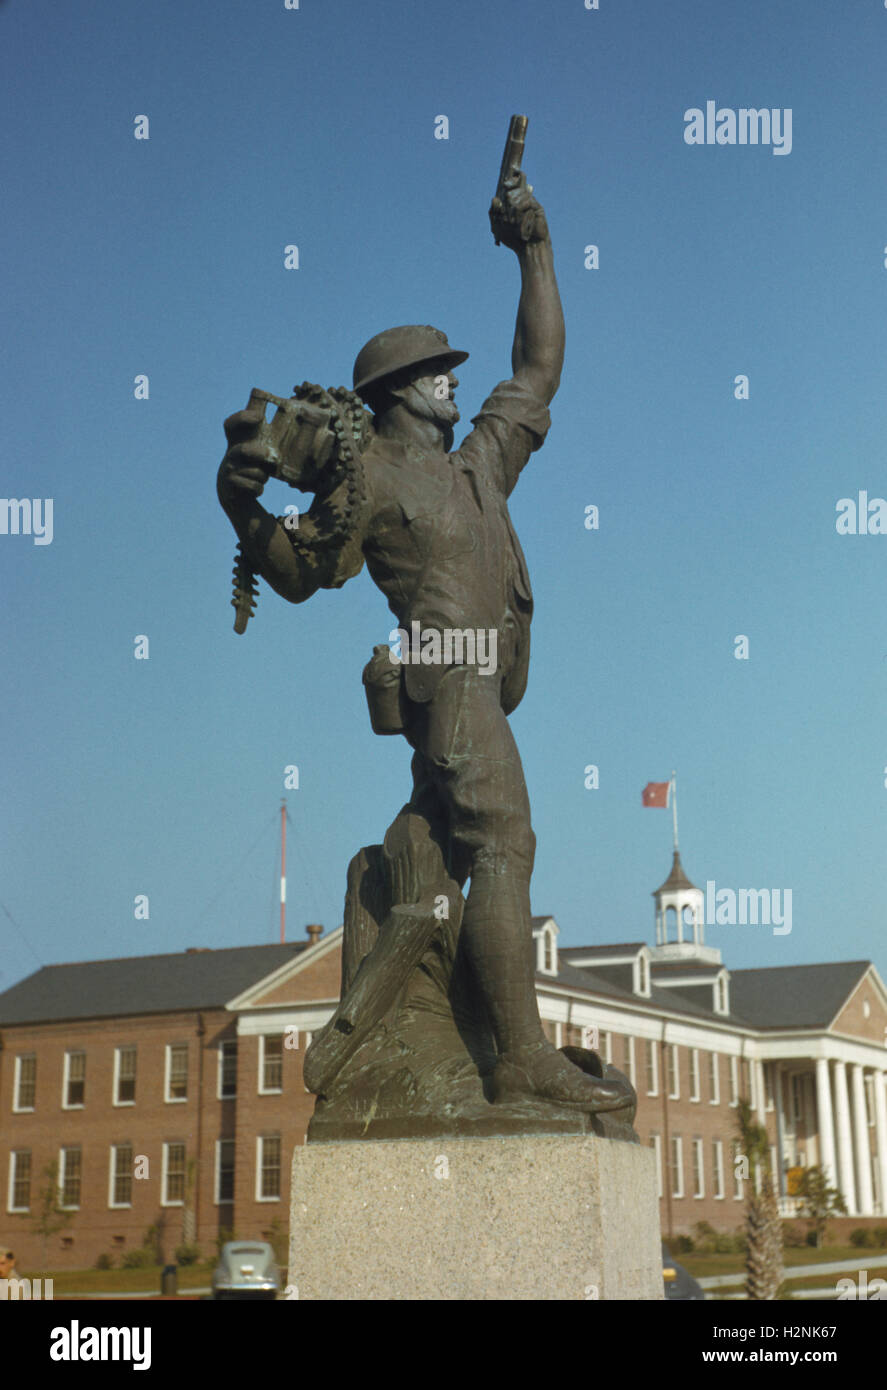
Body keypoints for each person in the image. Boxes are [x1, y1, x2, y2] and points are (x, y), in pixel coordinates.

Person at [218, 173, 631, 1115]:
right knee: (504, 843)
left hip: (486, 684)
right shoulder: (372, 483)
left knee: (426, 863)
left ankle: (431, 1033)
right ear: (400, 393)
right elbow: (297, 572)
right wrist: (238, 504)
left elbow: (537, 369)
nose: (455, 377)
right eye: (438, 369)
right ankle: (521, 1060)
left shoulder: (476, 463)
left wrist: (533, 246)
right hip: (447, 685)